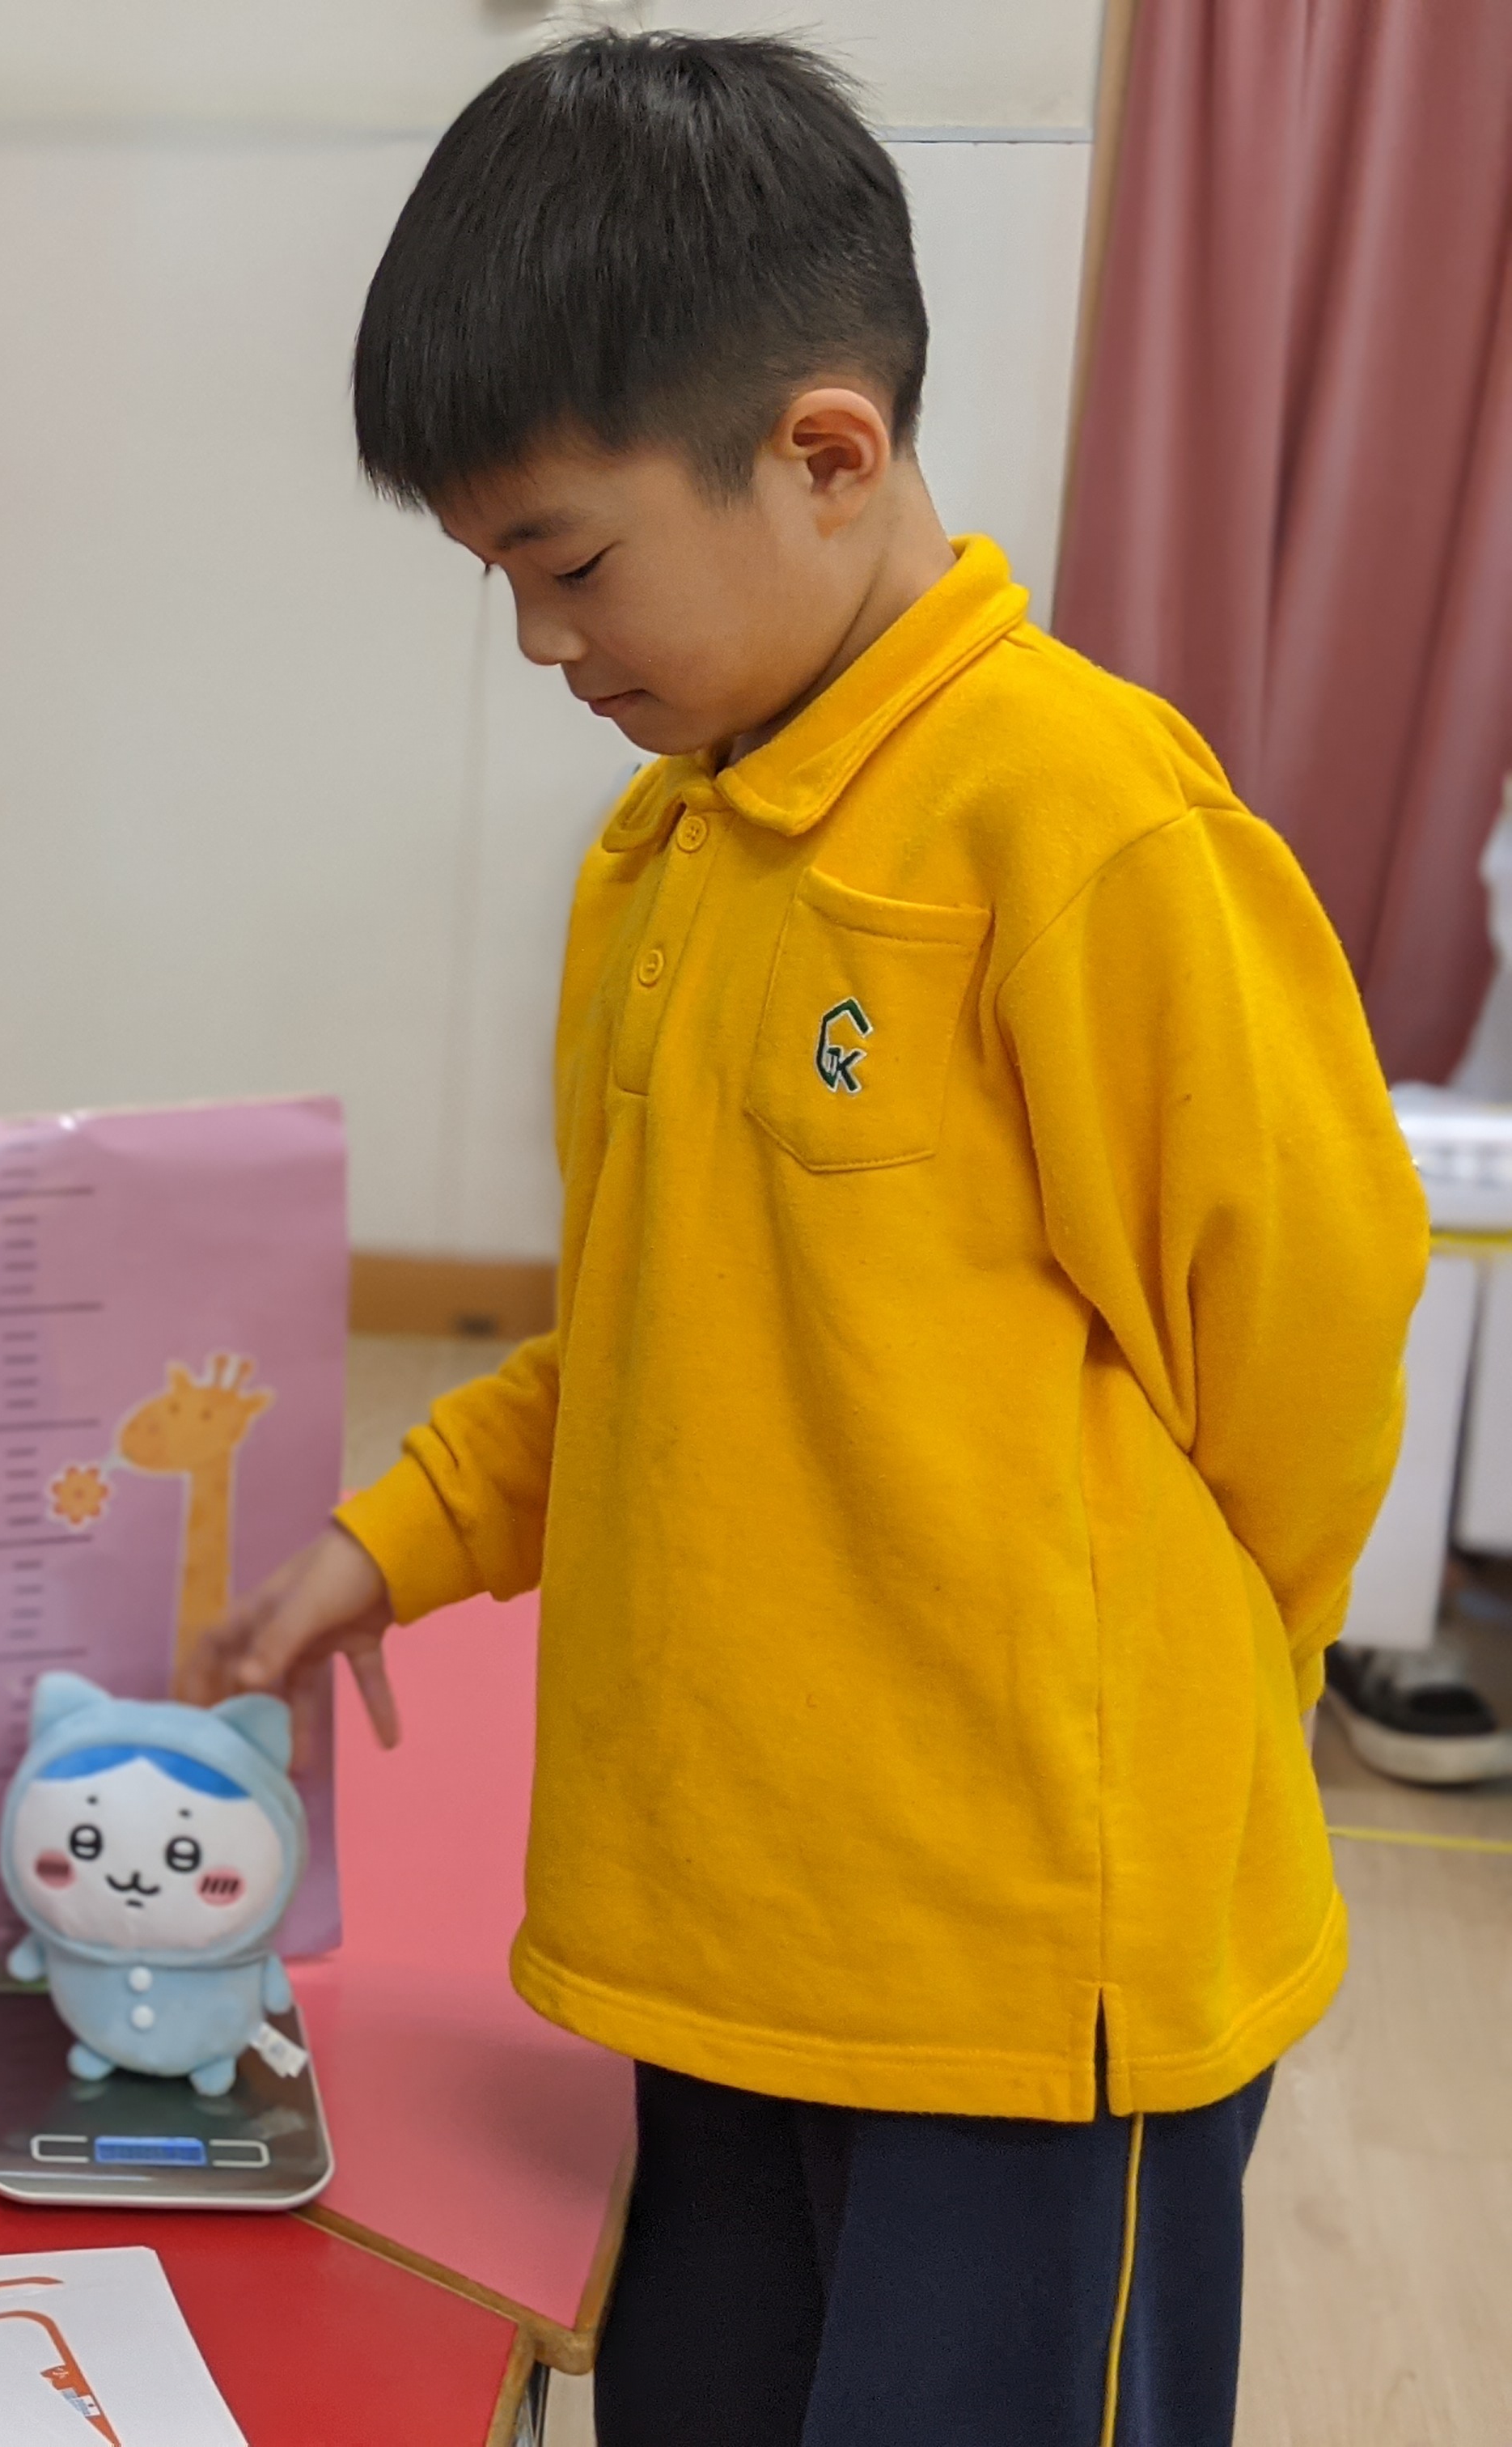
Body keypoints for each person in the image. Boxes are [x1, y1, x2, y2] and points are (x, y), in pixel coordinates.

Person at [181, 33, 1425, 2447]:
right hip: (726, 1951)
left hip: (1027, 1989)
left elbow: (1307, 1335)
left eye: (572, 563)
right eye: (498, 581)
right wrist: (392, 1541)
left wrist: (1197, 1703)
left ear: (826, 456)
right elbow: (656, 1346)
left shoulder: (1079, 820)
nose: (544, 644)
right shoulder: (662, 864)